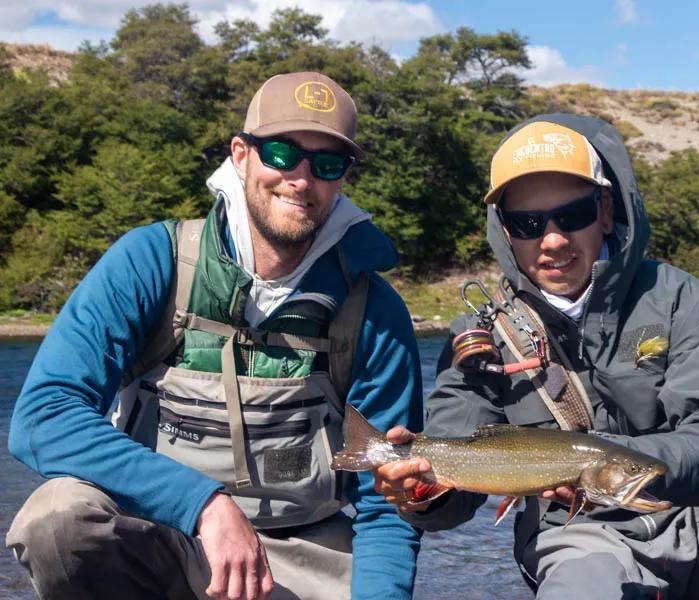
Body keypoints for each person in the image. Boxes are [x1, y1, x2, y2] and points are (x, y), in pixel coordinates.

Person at [374, 114, 699, 599]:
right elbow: (453, 499)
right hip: (581, 538)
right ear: (504, 230)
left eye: (573, 216)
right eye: (527, 222)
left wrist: (602, 464)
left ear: (607, 210)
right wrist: (420, 495)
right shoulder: (478, 336)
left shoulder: (683, 300)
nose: (552, 240)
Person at [6, 72, 423, 600]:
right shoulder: (151, 261)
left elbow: (387, 500)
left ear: (341, 179)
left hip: (307, 555)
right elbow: (43, 416)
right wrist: (202, 503)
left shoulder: (373, 309)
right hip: (160, 535)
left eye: (326, 164)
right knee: (56, 518)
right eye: (281, 153)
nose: (301, 178)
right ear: (242, 154)